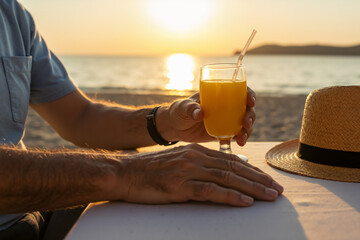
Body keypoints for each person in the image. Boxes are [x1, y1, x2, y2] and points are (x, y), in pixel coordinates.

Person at [0, 0, 283, 239]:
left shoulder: (13, 15)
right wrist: (126, 172)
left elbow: (79, 117)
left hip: (35, 213)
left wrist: (167, 122)